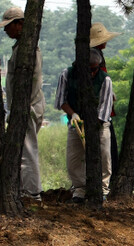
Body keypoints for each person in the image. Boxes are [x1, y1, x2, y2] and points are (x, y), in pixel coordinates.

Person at [55, 48, 113, 203]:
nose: (92, 73)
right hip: (75, 122)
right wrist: (73, 114)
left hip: (99, 124)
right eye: (89, 70)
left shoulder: (105, 80)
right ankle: (80, 189)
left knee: (103, 156)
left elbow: (104, 109)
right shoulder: (67, 74)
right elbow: (61, 101)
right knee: (73, 158)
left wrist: (91, 130)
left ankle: (102, 190)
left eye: (95, 69)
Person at [1, 7, 46, 201]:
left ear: (19, 24)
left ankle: (32, 193)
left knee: (27, 152)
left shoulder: (29, 50)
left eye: (9, 26)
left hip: (28, 107)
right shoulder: (21, 47)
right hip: (25, 106)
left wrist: (22, 106)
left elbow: (32, 81)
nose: (6, 31)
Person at [89, 22, 121, 184]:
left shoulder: (98, 55)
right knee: (108, 149)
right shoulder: (95, 58)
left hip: (105, 107)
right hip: (102, 111)